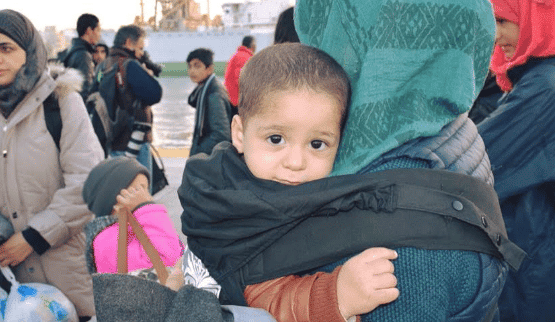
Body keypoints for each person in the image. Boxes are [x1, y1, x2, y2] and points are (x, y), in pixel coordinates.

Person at [181, 1, 525, 320]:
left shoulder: (400, 247)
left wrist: (334, 296)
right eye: (276, 139)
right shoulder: (451, 127)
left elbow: (259, 287)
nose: (296, 162)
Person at [0, 9, 104, 320]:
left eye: (6, 48)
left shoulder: (62, 102)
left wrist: (33, 237)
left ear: (30, 51)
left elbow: (89, 182)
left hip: (62, 283)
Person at [476, 1, 555, 321]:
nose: (495, 35)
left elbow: (480, 156)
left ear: (535, 19)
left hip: (531, 245)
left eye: (503, 20)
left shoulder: (544, 86)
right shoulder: (537, 77)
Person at [82, 156, 184, 275]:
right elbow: (167, 260)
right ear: (113, 198)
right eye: (137, 190)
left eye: (145, 189)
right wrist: (147, 209)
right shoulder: (106, 239)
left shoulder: (140, 225)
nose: (145, 197)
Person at [94, 24, 162, 182]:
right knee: (140, 193)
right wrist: (147, 75)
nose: (141, 53)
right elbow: (155, 94)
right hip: (134, 142)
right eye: (140, 47)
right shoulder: (129, 65)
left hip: (111, 141)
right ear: (129, 43)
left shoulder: (102, 66)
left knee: (119, 190)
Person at [186, 48, 233, 156]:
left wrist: (198, 152)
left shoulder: (214, 94)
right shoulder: (204, 88)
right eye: (190, 66)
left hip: (210, 160)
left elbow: (221, 134)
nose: (192, 71)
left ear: (209, 69)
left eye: (197, 66)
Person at [63, 13, 101, 101]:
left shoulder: (73, 49)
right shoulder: (84, 56)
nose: (99, 35)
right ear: (89, 31)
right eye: (98, 30)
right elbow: (85, 91)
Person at [224, 35, 255, 114]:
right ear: (252, 45)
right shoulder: (244, 57)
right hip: (237, 102)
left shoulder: (237, 55)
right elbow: (241, 80)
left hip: (231, 99)